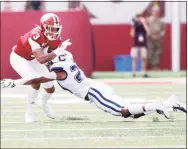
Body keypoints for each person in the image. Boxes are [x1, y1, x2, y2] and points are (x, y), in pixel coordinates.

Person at [2, 51, 187, 120]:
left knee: (123, 112)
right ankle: (171, 103)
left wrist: (15, 82)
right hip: (99, 87)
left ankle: (156, 105)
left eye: (50, 59)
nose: (48, 61)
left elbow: (37, 79)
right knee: (132, 114)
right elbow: (43, 75)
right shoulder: (67, 62)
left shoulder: (58, 70)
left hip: (95, 93)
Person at [7, 12, 71, 123]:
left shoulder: (56, 39)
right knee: (35, 80)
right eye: (50, 28)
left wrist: (57, 61)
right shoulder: (35, 35)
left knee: (50, 87)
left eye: (55, 29)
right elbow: (41, 58)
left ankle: (42, 102)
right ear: (42, 28)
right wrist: (57, 52)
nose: (53, 31)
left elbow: (48, 57)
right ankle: (29, 111)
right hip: (19, 58)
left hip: (33, 59)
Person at [146, 6, 165, 70]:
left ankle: (155, 67)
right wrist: (151, 35)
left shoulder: (161, 21)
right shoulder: (148, 20)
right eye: (154, 11)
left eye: (157, 11)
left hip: (158, 40)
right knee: (149, 52)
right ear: (152, 12)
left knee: (158, 52)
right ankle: (146, 67)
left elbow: (163, 31)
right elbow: (145, 29)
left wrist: (159, 35)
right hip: (150, 39)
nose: (156, 13)